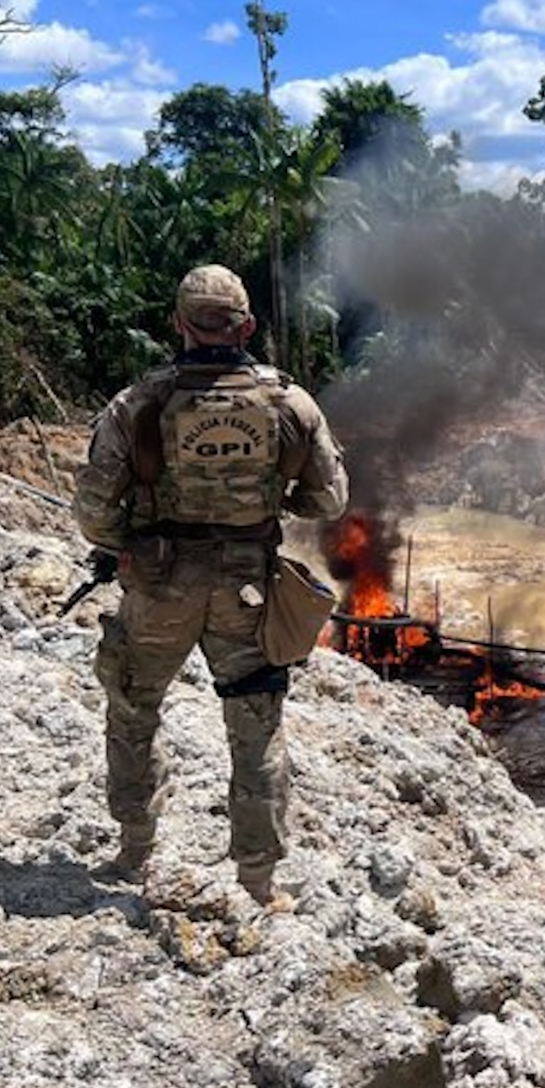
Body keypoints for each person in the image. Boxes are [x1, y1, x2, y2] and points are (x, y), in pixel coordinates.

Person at [73, 265, 348, 909]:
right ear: (246, 326)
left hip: (158, 589)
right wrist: (275, 499)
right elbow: (330, 498)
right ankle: (258, 881)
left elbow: (93, 509)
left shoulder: (138, 403)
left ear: (179, 325)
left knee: (134, 708)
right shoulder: (289, 403)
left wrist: (126, 547)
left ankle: (135, 850)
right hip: (246, 590)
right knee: (255, 726)